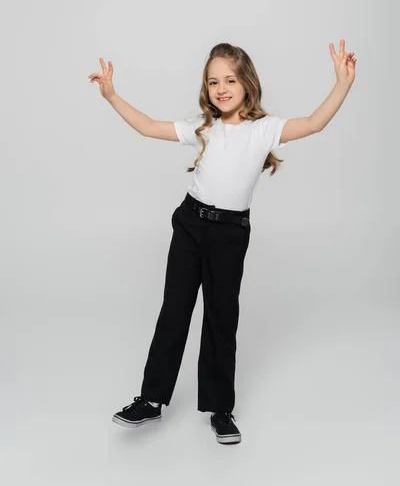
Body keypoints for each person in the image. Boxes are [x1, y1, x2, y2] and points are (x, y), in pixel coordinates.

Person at [88, 40, 356, 445]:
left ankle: (219, 408)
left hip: (230, 236)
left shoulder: (265, 129)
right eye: (213, 81)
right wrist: (111, 95)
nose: (221, 88)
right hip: (191, 225)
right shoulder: (203, 127)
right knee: (174, 311)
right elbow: (147, 126)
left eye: (230, 79)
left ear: (247, 82)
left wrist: (341, 84)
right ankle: (151, 400)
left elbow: (315, 122)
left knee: (220, 317)